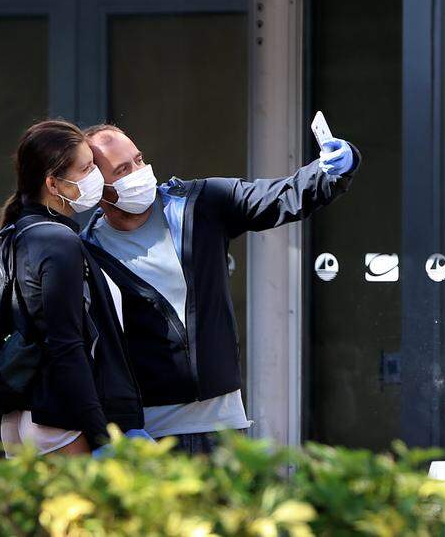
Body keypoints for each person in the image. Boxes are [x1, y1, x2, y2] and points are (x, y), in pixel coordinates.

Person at [81, 124, 360, 455]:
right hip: (149, 434)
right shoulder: (87, 252)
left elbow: (278, 196)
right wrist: (113, 429)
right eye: (123, 169)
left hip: (224, 426)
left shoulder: (198, 203)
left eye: (139, 160)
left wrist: (333, 169)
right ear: (99, 187)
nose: (140, 173)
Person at [0, 120, 146, 455]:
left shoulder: (17, 233)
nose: (97, 178)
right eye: (86, 168)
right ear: (52, 182)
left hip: (25, 415)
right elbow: (66, 345)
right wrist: (101, 434)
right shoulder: (57, 240)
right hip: (61, 420)